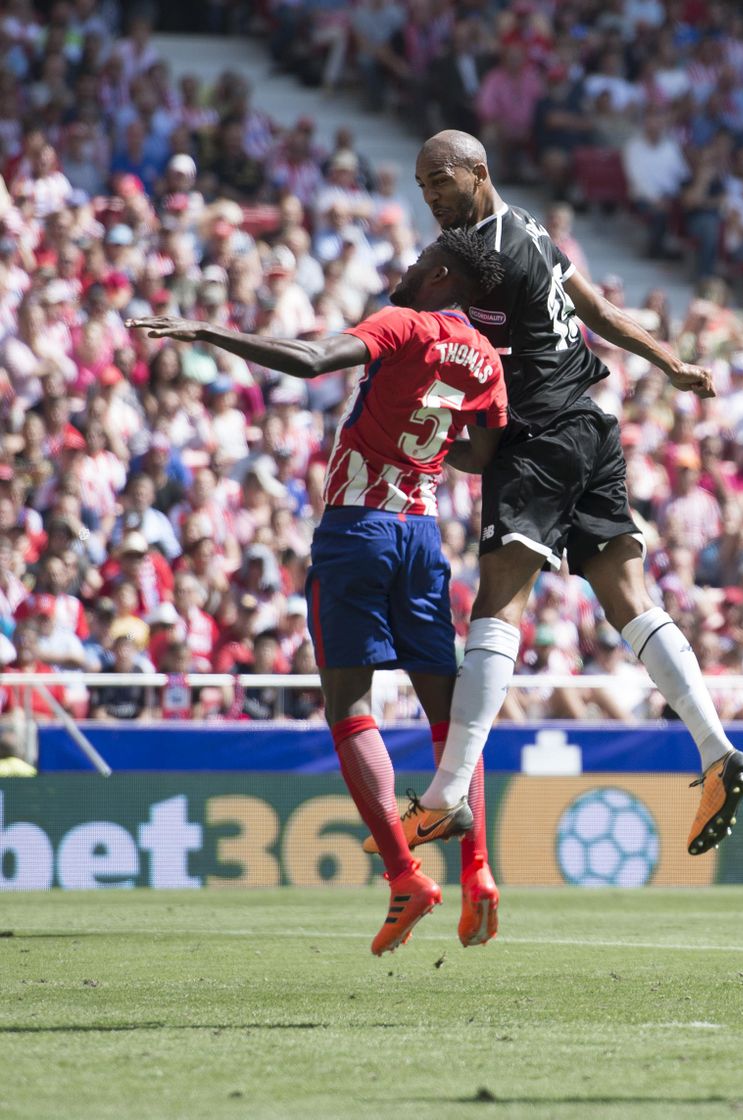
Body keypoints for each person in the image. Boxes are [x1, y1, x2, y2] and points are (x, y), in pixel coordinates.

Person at [128, 228, 509, 956]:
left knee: (350, 705)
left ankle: (405, 876)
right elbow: (479, 455)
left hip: (359, 530)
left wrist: (210, 330)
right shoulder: (486, 361)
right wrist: (422, 436)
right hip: (424, 537)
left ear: (439, 275)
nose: (404, 267)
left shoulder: (405, 323)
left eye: (416, 261)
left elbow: (309, 361)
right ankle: (480, 873)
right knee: (451, 721)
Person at [411, 129, 743, 859]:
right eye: (423, 187)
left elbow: (442, 331)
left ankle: (446, 795)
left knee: (498, 603)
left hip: (542, 433)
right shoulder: (528, 225)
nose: (432, 198)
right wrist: (674, 363)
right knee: (630, 597)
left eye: (441, 181)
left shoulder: (486, 260)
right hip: (595, 427)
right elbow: (595, 312)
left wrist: (455, 440)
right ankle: (717, 749)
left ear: (479, 170)